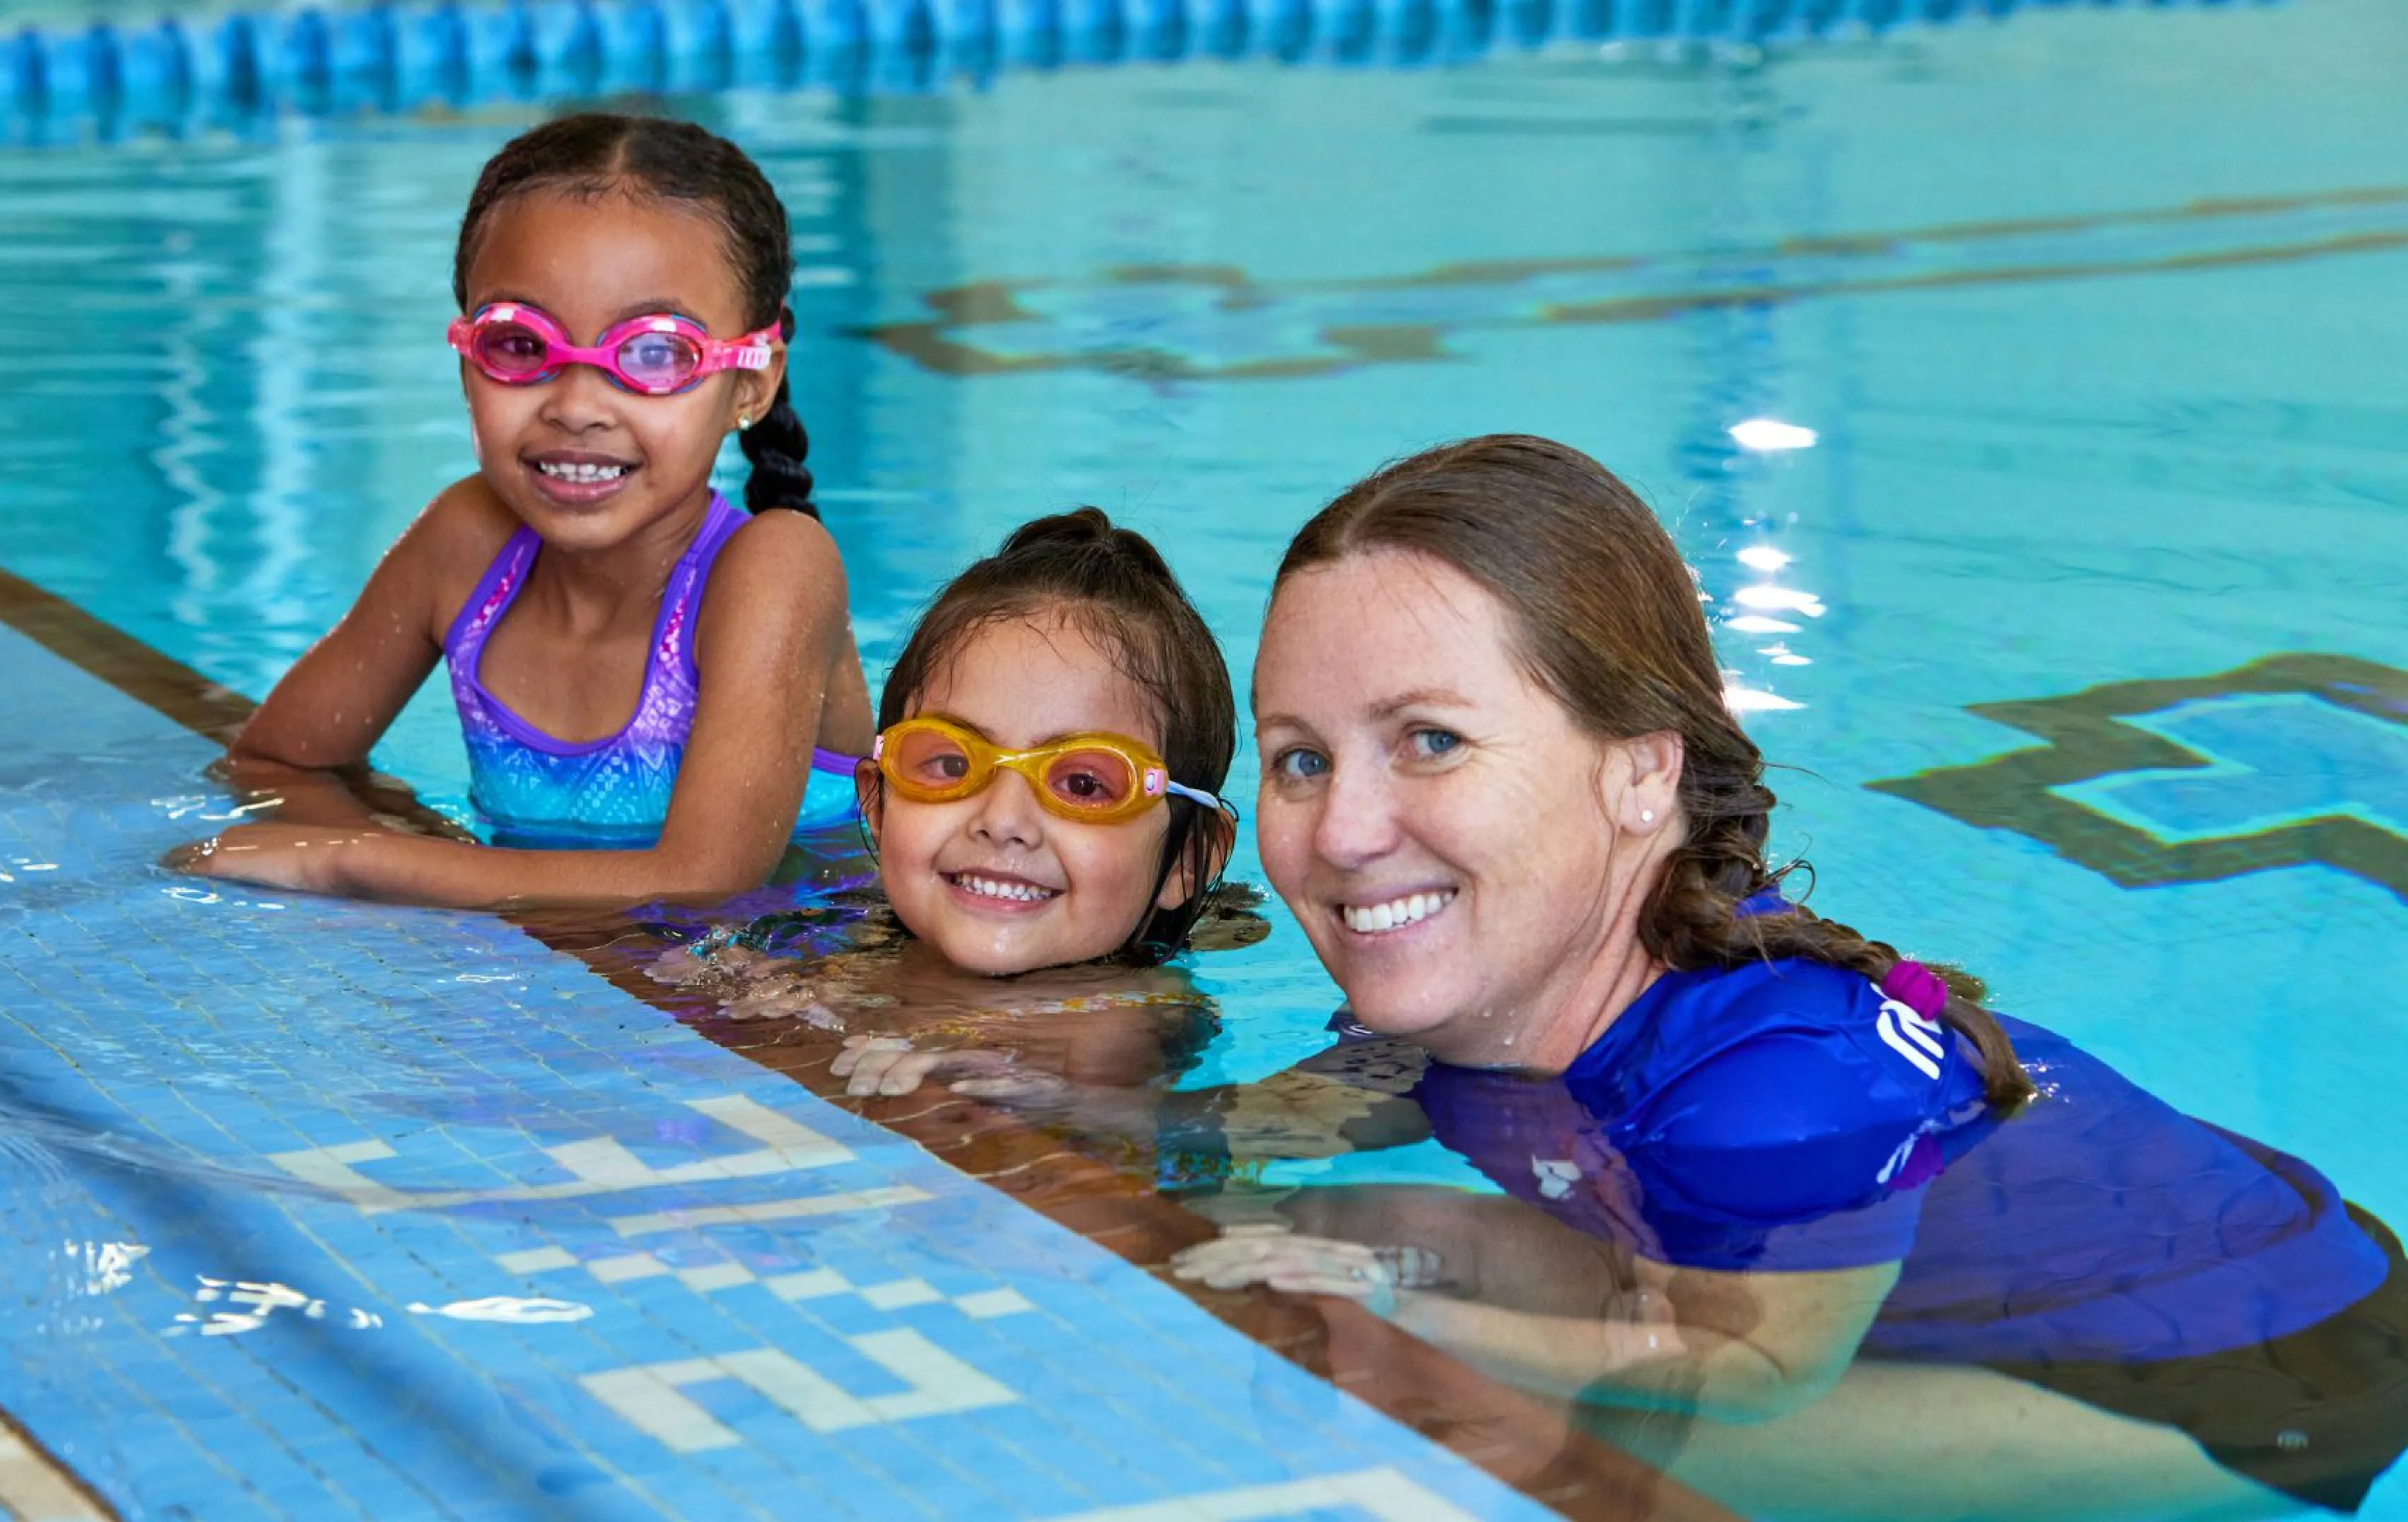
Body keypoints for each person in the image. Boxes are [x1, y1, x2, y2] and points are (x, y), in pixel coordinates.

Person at [1147, 435, 2408, 1519]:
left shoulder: (1782, 1084)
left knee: (1519, 1435)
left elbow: (1746, 1370)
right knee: (1324, 1242)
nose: (1345, 830)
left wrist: (1400, 1308)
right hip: (2048, 1269)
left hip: (2263, 1368)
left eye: (1432, 741)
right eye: (1302, 760)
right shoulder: (1500, 990)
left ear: (1642, 773)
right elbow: (1217, 1147)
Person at [169, 113, 871, 907]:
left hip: (793, 986)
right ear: (467, 356)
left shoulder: (777, 567)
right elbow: (277, 761)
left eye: (652, 353)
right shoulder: (466, 545)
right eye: (520, 344)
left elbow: (700, 880)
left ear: (750, 382)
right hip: (561, 978)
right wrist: (435, 858)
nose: (575, 407)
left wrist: (351, 862)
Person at [630, 509, 1243, 1097]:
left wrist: (1017, 1080)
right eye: (951, 764)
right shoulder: (845, 951)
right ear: (877, 803)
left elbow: (1114, 1122)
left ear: (1188, 858)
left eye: (1083, 784)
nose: (1002, 822)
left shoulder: (1134, 1017)